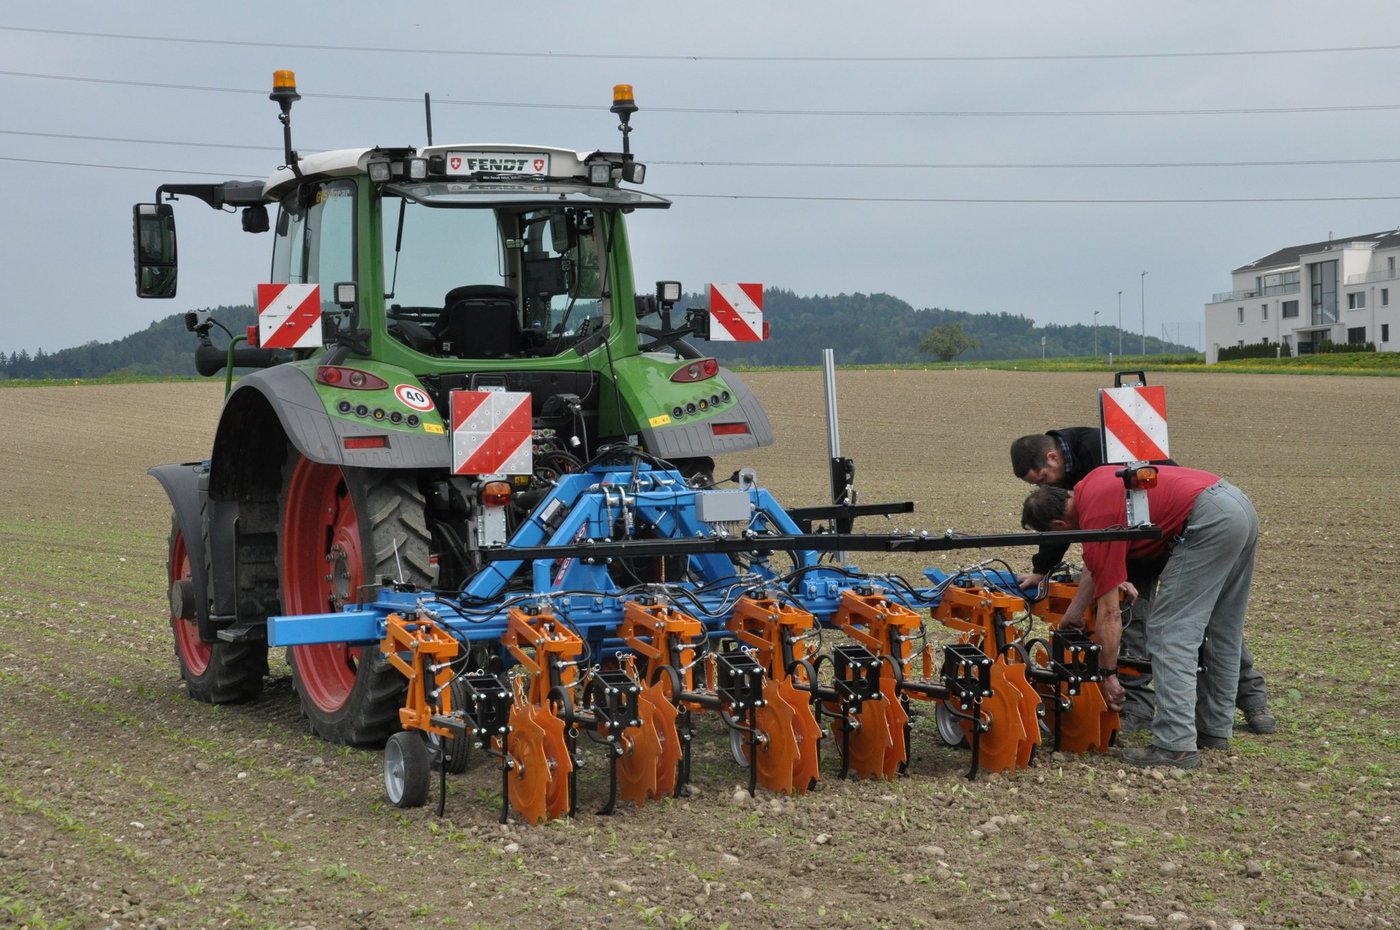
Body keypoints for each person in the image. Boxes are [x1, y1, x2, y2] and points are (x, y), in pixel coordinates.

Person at [1010, 430, 1277, 736]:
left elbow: (1109, 610)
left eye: (1043, 478)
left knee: (1168, 630)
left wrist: (1107, 674)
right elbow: (1093, 561)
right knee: (1220, 624)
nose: (1046, 484)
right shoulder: (1092, 482)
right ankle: (1215, 729)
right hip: (1233, 502)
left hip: (1198, 525)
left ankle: (1174, 740)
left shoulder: (1098, 471)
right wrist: (1072, 606)